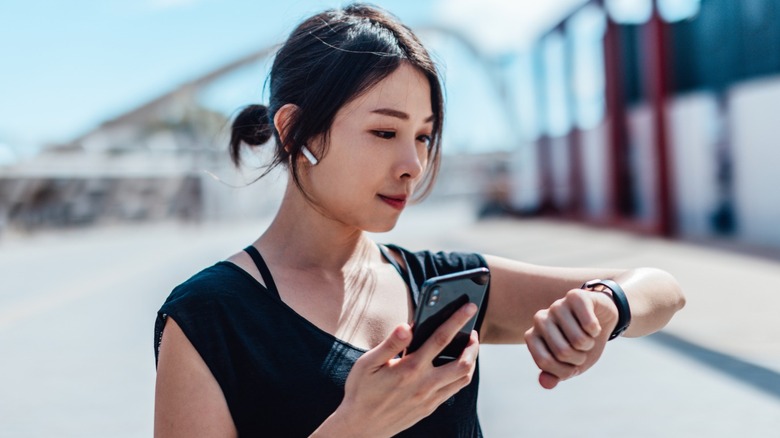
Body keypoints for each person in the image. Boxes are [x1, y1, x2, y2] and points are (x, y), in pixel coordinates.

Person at [153, 4, 685, 437]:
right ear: (294, 132)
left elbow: (662, 291)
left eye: (424, 136)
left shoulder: (443, 288)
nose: (413, 164)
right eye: (385, 132)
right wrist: (354, 429)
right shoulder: (208, 318)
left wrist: (603, 307)